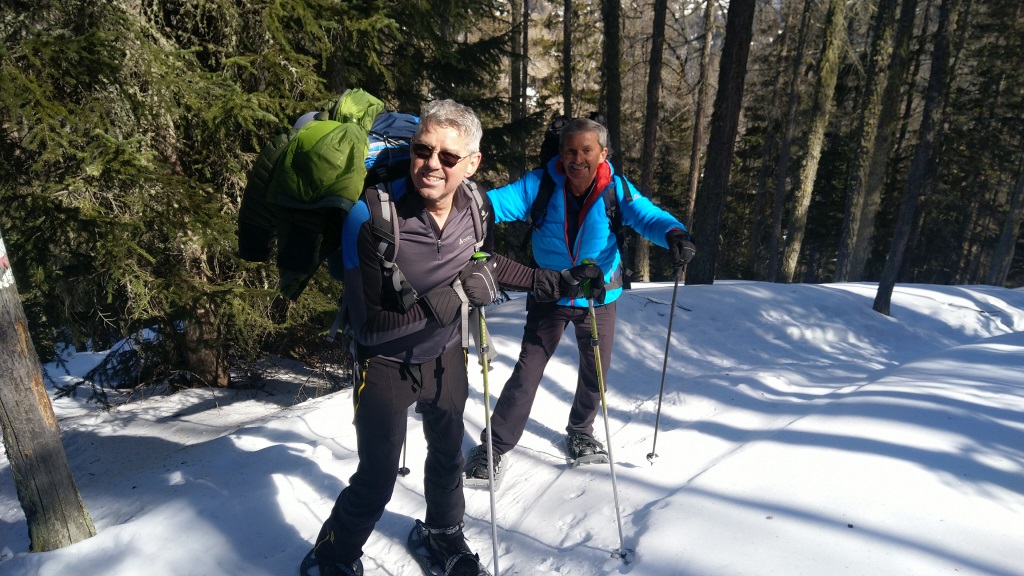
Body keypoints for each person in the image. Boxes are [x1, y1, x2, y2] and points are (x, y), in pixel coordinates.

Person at [309, 100, 596, 576]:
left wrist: (557, 281)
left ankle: (442, 534)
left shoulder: (476, 207)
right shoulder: (373, 216)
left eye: (447, 156)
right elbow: (368, 327)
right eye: (423, 150)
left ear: (472, 163)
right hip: (384, 367)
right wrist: (456, 297)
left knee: (446, 458)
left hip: (446, 356)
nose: (431, 165)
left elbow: (485, 264)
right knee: (377, 477)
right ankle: (332, 556)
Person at [465, 117, 696, 481]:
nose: (577, 159)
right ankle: (494, 447)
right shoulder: (540, 184)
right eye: (570, 150)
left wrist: (674, 233)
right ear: (560, 152)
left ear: (602, 154)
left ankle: (581, 432)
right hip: (551, 293)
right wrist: (459, 215)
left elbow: (646, 215)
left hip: (597, 296)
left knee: (595, 371)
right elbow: (491, 204)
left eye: (586, 150)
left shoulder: (616, 188)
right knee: (527, 373)